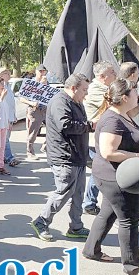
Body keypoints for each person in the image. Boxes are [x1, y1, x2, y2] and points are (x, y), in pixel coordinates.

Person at [83, 79, 139, 275]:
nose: (138, 95)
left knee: (107, 214)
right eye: (135, 93)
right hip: (116, 178)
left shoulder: (122, 114)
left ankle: (91, 250)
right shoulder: (112, 120)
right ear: (124, 98)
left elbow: (130, 136)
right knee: (129, 219)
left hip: (114, 175)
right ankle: (132, 265)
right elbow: (108, 152)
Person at [30, 73, 92, 242]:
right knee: (64, 191)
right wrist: (88, 126)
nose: (86, 93)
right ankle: (41, 221)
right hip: (64, 156)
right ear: (73, 88)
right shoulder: (60, 101)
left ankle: (76, 226)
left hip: (77, 155)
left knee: (78, 193)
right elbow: (65, 125)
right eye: (84, 90)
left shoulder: (76, 102)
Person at [81, 61, 117, 215]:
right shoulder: (96, 90)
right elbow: (113, 106)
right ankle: (89, 202)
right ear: (102, 76)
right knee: (101, 170)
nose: (115, 75)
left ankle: (90, 202)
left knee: (100, 170)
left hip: (101, 135)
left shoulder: (106, 89)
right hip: (94, 137)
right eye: (112, 72)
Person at [20, 64, 48, 159]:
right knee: (33, 132)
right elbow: (22, 98)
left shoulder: (46, 83)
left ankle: (45, 147)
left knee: (53, 129)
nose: (42, 73)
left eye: (44, 72)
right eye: (40, 71)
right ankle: (30, 151)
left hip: (45, 109)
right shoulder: (30, 83)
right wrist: (31, 103)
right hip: (34, 110)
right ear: (36, 71)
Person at [0, 67, 20, 167]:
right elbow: (2, 104)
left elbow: (11, 103)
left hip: (10, 116)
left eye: (9, 73)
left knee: (5, 138)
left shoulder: (8, 87)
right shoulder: (1, 88)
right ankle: (9, 158)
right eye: (6, 73)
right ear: (0, 76)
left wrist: (14, 116)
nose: (8, 74)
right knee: (5, 138)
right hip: (4, 117)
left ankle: (3, 157)